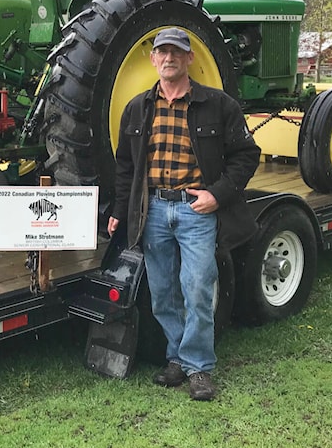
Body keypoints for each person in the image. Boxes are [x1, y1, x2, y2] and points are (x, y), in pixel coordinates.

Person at [107, 27, 261, 401]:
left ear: (190, 58)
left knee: (197, 288)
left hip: (196, 211)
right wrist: (119, 210)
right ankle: (176, 358)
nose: (169, 58)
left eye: (177, 52)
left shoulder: (218, 105)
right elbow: (126, 167)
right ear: (153, 59)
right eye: (162, 52)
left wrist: (216, 195)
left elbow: (247, 155)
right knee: (162, 293)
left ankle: (199, 368)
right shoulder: (137, 107)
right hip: (154, 210)